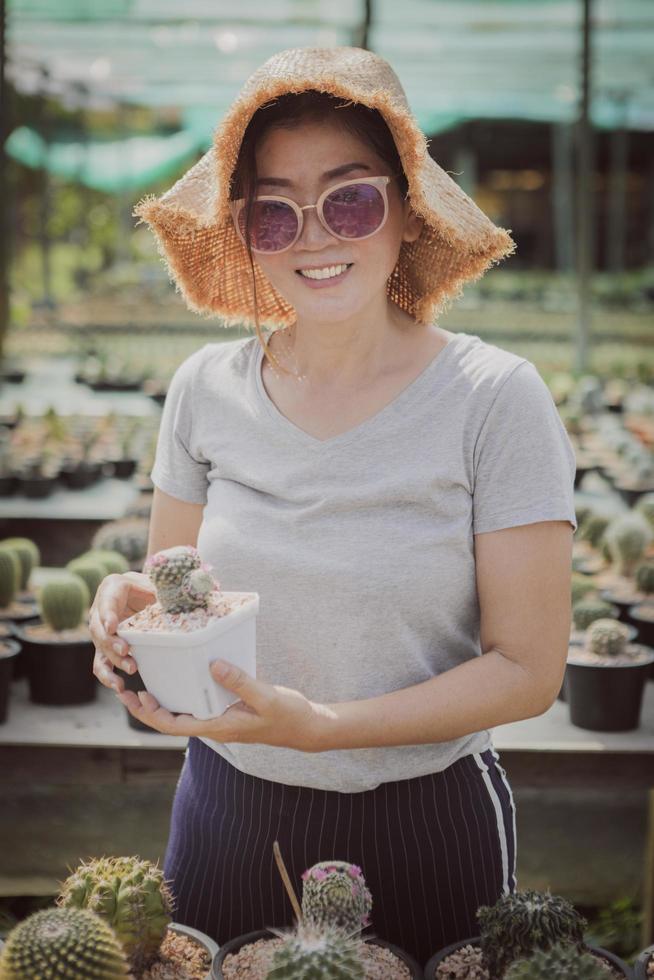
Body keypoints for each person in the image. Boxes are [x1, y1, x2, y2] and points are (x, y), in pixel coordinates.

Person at [89, 46, 577, 964]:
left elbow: (528, 667)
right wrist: (126, 612)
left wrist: (325, 730)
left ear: (405, 206)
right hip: (228, 808)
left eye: (350, 198)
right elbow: (172, 595)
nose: (315, 236)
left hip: (428, 819)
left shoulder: (494, 397)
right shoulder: (203, 389)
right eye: (275, 212)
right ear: (243, 232)